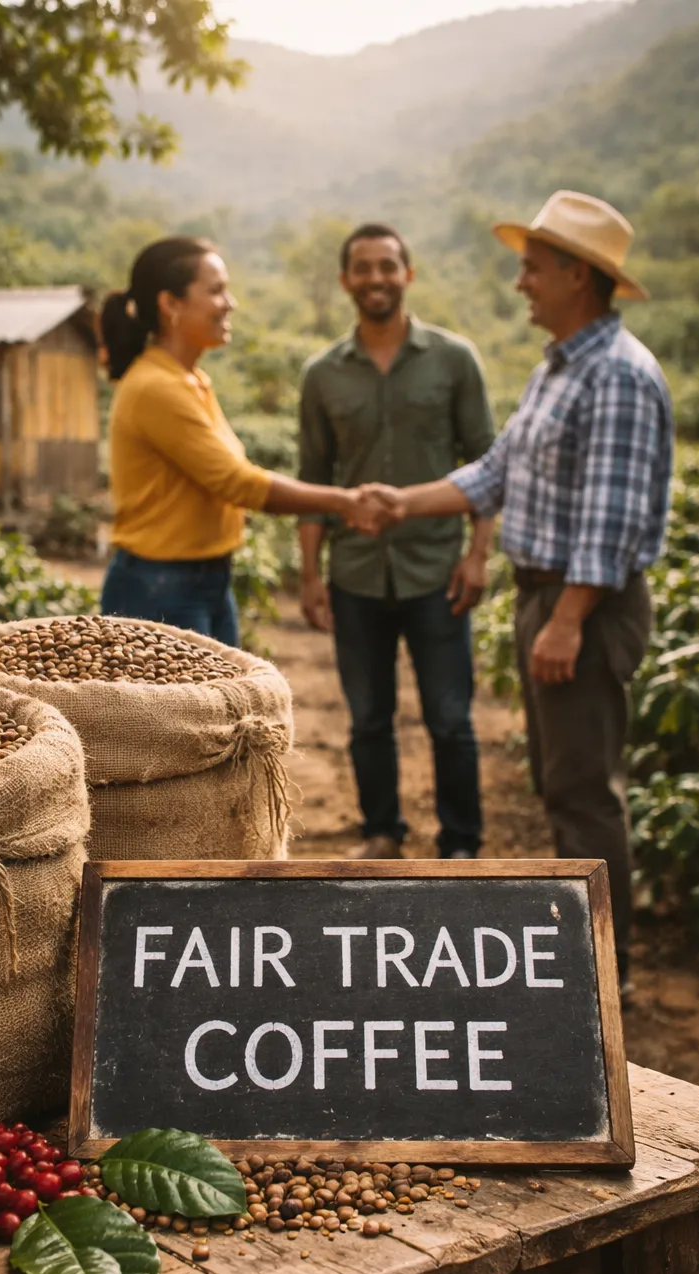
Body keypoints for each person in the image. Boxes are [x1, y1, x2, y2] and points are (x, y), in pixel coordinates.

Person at [376, 192, 674, 990]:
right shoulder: (560, 366)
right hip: (548, 598)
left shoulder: (615, 375)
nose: (522, 284)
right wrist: (406, 500)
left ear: (579, 275)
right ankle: (584, 949)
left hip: (586, 604)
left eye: (533, 268)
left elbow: (609, 522)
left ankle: (604, 974)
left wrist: (569, 619)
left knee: (584, 790)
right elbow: (496, 472)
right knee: (559, 780)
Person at [298, 222, 496, 860]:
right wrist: (308, 572)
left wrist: (478, 553)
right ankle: (382, 833)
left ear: (408, 274)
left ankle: (461, 843)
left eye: (388, 266)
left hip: (437, 568)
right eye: (363, 267)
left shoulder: (454, 359)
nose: (376, 278)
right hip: (355, 574)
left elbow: (485, 466)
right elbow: (313, 479)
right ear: (345, 280)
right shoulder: (322, 374)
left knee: (450, 718)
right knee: (368, 719)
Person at [99, 237, 398, 646]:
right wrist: (343, 502)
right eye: (217, 290)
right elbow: (238, 483)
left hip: (202, 580)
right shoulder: (155, 388)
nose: (230, 303)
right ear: (171, 304)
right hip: (160, 586)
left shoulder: (190, 381)